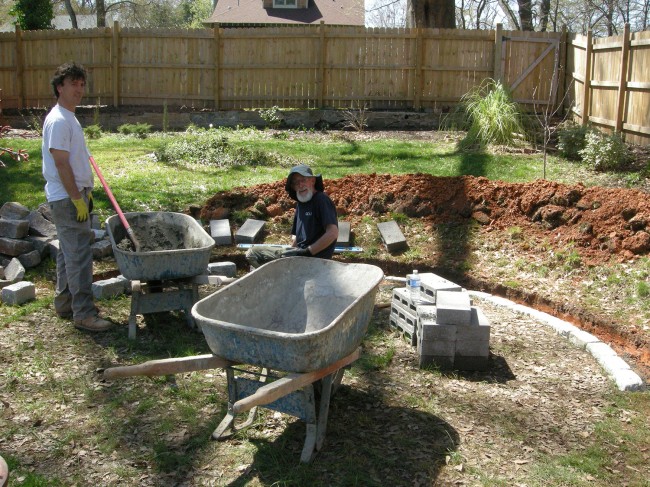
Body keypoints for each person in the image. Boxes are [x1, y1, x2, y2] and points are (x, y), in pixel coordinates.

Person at [42, 62, 112, 332]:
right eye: (73, 84)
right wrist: (75, 198)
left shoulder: (67, 116)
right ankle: (83, 314)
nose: (79, 89)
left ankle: (65, 303)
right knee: (80, 255)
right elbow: (61, 163)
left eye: (82, 84)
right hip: (66, 197)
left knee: (67, 251)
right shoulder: (59, 120)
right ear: (59, 87)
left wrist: (84, 192)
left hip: (73, 194)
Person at [246, 164, 339, 268]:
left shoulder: (321, 200)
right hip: (299, 255)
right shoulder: (301, 203)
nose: (300, 185)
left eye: (303, 180)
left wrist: (308, 252)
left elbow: (333, 233)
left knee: (253, 253)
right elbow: (298, 239)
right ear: (293, 187)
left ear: (312, 181)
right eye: (295, 183)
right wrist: (288, 260)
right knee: (253, 255)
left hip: (314, 260)